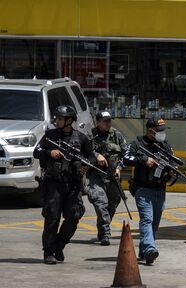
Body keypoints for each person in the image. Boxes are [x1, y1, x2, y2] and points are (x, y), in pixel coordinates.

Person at [33, 105, 96, 265]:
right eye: (57, 118)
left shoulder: (81, 138)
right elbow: (36, 151)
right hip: (54, 184)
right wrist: (49, 153)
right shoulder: (50, 136)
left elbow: (91, 157)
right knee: (52, 218)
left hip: (73, 185)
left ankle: (59, 245)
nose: (57, 121)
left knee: (73, 217)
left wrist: (83, 166)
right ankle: (48, 252)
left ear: (69, 120)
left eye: (60, 118)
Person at [123, 117, 175, 265]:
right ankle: (151, 249)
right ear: (151, 130)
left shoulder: (165, 146)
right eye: (160, 130)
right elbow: (126, 158)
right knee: (147, 220)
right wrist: (144, 160)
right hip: (143, 189)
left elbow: (171, 162)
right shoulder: (138, 144)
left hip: (160, 189)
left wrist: (171, 172)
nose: (162, 133)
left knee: (154, 224)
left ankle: (144, 250)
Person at [86, 111, 128, 245]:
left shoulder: (116, 135)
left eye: (109, 121)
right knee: (100, 203)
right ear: (98, 122)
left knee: (113, 203)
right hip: (95, 175)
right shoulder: (90, 135)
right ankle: (105, 233)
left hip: (112, 176)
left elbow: (125, 153)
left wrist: (119, 168)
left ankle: (102, 226)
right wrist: (96, 156)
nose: (108, 123)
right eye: (105, 121)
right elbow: (83, 152)